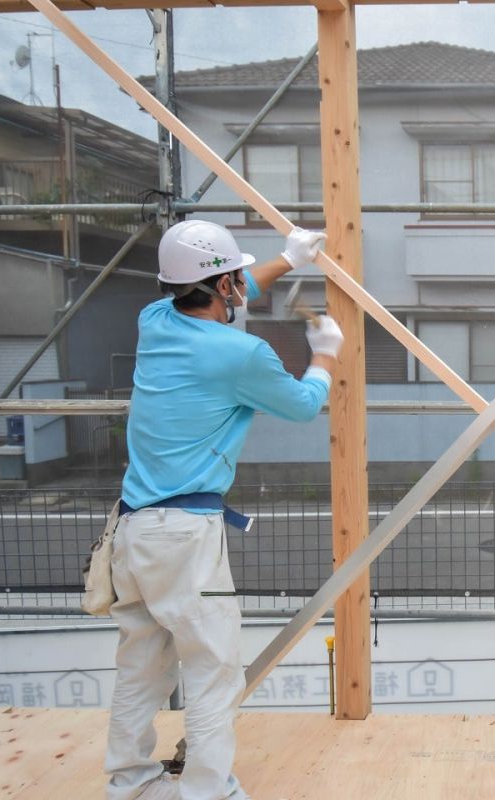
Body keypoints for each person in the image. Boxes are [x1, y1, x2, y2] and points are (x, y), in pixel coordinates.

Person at [104, 220, 344, 800]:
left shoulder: (155, 321)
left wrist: (287, 260)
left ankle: (130, 783)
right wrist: (324, 356)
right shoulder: (241, 354)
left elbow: (225, 288)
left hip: (133, 530)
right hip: (185, 538)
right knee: (213, 672)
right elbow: (303, 405)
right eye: (237, 276)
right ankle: (208, 793)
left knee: (141, 666)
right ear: (223, 285)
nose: (243, 284)